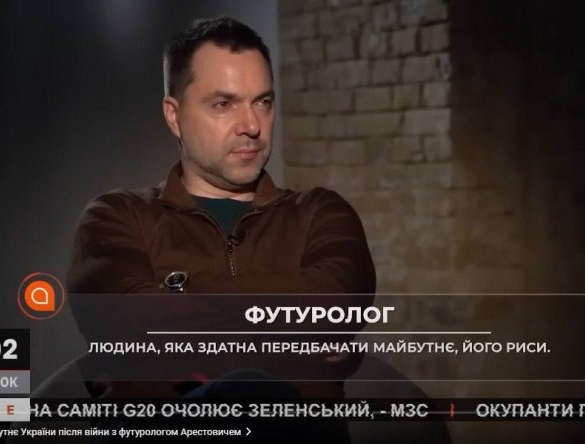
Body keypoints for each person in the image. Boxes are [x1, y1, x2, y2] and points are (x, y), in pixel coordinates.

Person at [65, 16, 376, 441]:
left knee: (256, 395)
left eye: (262, 102)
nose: (252, 125)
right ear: (174, 115)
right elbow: (130, 325)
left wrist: (176, 292)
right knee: (247, 390)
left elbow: (337, 306)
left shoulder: (319, 214)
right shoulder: (116, 217)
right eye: (223, 104)